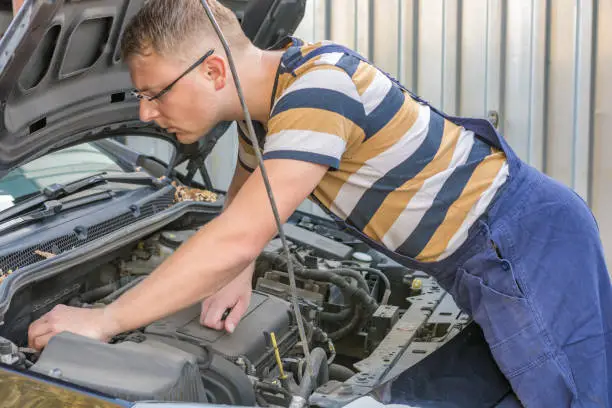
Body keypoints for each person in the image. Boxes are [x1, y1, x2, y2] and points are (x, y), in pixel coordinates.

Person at [27, 0, 611, 406]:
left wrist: (106, 318)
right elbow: (245, 199)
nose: (145, 114)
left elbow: (240, 232)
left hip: (518, 244)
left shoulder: (317, 90)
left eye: (153, 94)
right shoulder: (274, 103)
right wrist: (241, 273)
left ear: (210, 70)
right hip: (475, 258)